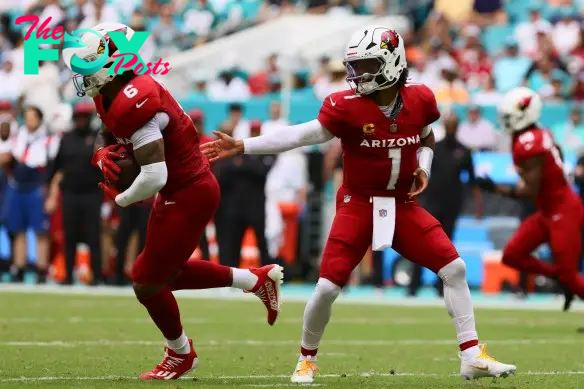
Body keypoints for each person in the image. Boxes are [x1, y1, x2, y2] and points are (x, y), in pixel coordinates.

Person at [202, 25, 516, 383]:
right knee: (327, 287)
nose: (358, 75)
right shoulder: (345, 106)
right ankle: (306, 358)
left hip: (402, 204)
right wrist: (243, 145)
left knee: (455, 269)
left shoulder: (421, 99)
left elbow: (427, 137)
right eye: (356, 66)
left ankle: (472, 355)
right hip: (358, 204)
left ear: (392, 62)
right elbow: (301, 135)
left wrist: (423, 168)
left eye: (367, 65)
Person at [70, 23, 283, 380]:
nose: (83, 75)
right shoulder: (111, 89)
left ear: (110, 62)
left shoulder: (138, 101)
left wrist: (121, 199)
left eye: (90, 66)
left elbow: (155, 176)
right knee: (164, 274)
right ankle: (256, 281)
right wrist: (100, 154)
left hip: (190, 190)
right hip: (181, 190)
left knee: (146, 280)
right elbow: (105, 129)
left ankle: (180, 353)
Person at [476, 86, 584, 312]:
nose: (505, 121)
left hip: (563, 211)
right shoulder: (538, 134)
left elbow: (530, 191)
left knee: (571, 276)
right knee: (512, 255)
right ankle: (560, 277)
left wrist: (496, 188)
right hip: (548, 211)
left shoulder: (529, 143)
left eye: (509, 116)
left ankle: (565, 279)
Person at [409, 111, 483, 297]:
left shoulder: (464, 151)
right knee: (423, 243)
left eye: (453, 123)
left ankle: (440, 286)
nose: (451, 126)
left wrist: (478, 206)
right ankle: (413, 285)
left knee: (445, 246)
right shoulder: (435, 148)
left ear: (457, 126)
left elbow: (473, 181)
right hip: (432, 203)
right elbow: (420, 173)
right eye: (448, 123)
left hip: (452, 205)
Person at [46, 101, 104, 285]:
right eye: (79, 117)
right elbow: (57, 167)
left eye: (85, 117)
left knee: (94, 235)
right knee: (69, 235)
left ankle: (97, 276)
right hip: (70, 194)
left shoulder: (98, 138)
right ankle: (68, 276)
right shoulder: (67, 138)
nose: (82, 120)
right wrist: (52, 192)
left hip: (92, 194)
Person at [0, 106, 59, 283]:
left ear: (39, 119)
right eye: (26, 117)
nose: (29, 121)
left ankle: (41, 268)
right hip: (17, 185)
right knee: (18, 229)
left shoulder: (48, 138)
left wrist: (51, 191)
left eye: (32, 117)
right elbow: (8, 155)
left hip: (36, 185)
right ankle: (19, 267)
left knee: (41, 230)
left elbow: (52, 167)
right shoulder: (18, 135)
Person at [214, 120, 275, 267]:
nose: (255, 134)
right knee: (234, 242)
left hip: (256, 206)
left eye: (257, 131)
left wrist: (242, 166)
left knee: (262, 242)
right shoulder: (239, 152)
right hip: (235, 206)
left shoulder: (263, 151)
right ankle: (232, 276)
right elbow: (224, 173)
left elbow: (262, 171)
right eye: (253, 131)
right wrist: (246, 166)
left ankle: (268, 272)